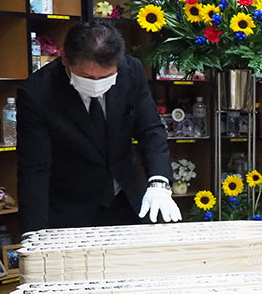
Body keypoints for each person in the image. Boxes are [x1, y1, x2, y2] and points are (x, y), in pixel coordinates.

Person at [17, 20, 180, 234]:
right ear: (65, 58)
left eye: (106, 77)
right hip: (69, 207)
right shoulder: (37, 93)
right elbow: (35, 169)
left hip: (126, 197)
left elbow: (150, 129)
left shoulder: (131, 71)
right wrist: (33, 234)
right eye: (86, 77)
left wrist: (158, 181)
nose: (96, 84)